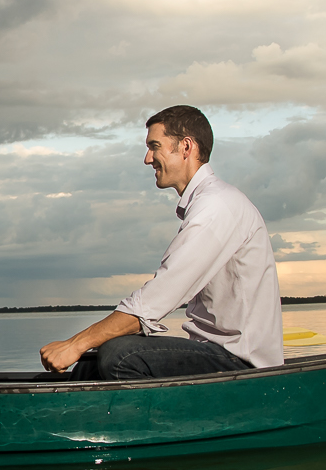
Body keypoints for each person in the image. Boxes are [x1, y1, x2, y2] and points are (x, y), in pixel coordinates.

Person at [40, 105, 283, 380]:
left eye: (155, 147)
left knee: (121, 356)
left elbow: (156, 300)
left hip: (245, 366)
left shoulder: (217, 207)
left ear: (186, 147)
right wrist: (84, 347)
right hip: (213, 353)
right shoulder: (208, 204)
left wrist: (76, 343)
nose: (147, 159)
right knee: (94, 360)